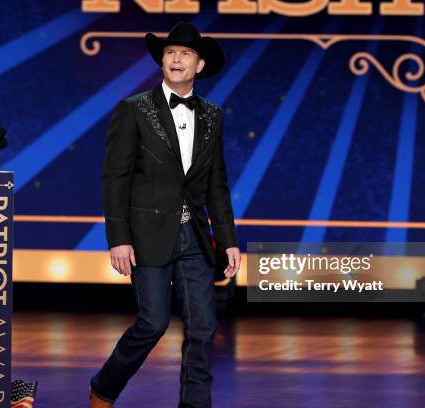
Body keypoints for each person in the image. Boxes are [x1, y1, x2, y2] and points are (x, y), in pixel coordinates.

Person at [89, 21, 241, 408]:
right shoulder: (134, 110)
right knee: (153, 323)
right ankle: (104, 388)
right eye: (170, 53)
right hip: (146, 234)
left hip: (195, 236)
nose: (176, 59)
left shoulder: (212, 115)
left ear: (199, 65)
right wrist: (118, 238)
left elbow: (216, 185)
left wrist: (229, 242)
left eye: (185, 54)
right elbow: (115, 177)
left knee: (204, 328)